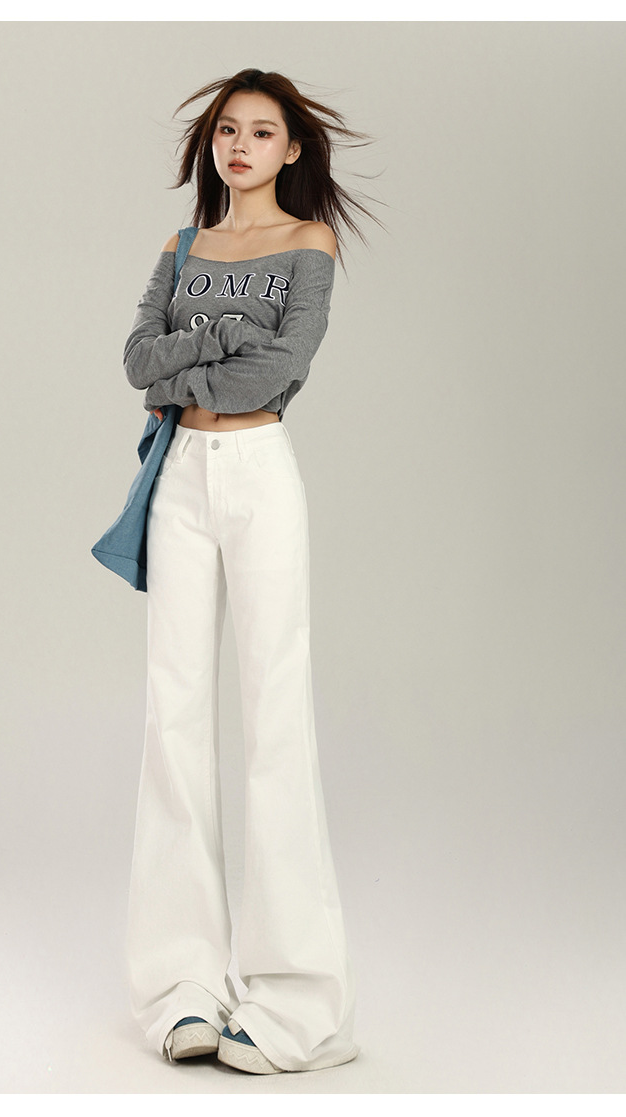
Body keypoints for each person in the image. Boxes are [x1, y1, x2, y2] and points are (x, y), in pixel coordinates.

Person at [122, 68, 377, 1075]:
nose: (239, 145)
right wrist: (222, 343)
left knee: (275, 716)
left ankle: (296, 1004)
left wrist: (195, 353)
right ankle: (181, 987)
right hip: (180, 477)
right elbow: (135, 361)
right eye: (227, 129)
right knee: (173, 714)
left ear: (292, 149)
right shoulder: (183, 245)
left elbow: (282, 367)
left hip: (261, 473)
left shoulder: (308, 244)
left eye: (261, 132)